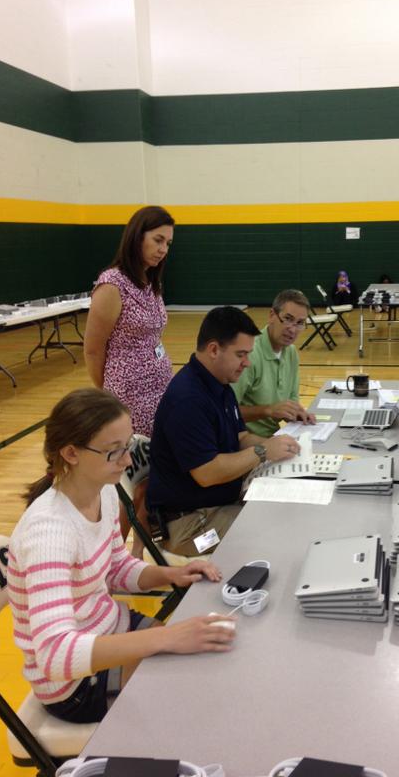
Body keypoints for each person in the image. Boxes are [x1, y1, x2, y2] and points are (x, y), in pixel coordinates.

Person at [6, 388, 234, 724]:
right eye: (114, 452)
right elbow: (56, 655)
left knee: (208, 659)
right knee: (197, 702)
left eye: (126, 447)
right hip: (75, 685)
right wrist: (165, 636)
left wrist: (167, 574)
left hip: (111, 628)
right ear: (71, 453)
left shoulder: (104, 492)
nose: (128, 461)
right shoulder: (49, 534)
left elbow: (114, 566)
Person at [147, 306, 300, 557]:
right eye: (241, 354)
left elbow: (239, 437)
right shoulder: (188, 400)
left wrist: (280, 446)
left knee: (283, 511)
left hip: (215, 508)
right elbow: (207, 473)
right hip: (189, 530)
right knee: (275, 530)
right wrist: (263, 451)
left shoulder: (220, 383)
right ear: (214, 349)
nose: (247, 363)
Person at [84, 205, 175, 437]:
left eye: (168, 243)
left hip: (160, 387)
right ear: (137, 237)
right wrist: (110, 394)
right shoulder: (112, 285)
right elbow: (93, 350)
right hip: (129, 396)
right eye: (158, 240)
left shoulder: (151, 281)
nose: (163, 249)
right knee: (136, 458)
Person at [233, 289, 316, 437]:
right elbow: (226, 412)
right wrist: (268, 410)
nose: (292, 329)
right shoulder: (249, 354)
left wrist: (296, 414)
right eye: (288, 319)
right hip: (244, 441)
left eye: (300, 323)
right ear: (272, 315)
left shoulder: (291, 353)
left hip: (274, 437)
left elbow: (290, 404)